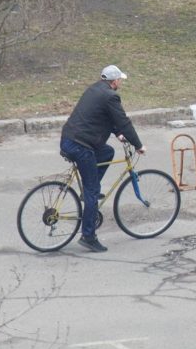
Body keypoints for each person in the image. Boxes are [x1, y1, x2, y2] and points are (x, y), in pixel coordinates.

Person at [59, 65, 144, 253]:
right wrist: (138, 145)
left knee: (107, 152)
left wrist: (118, 133)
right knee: (92, 190)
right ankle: (88, 236)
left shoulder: (95, 89)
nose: (120, 82)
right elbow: (123, 120)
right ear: (113, 82)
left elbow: (104, 117)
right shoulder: (111, 96)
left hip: (69, 139)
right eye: (120, 80)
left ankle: (89, 193)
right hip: (81, 146)